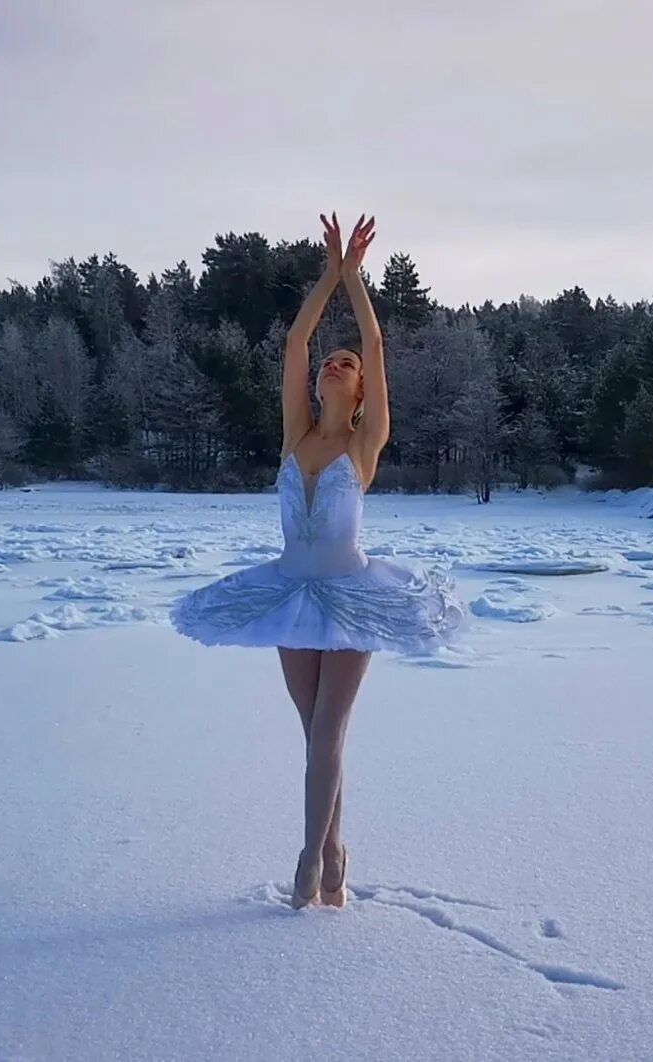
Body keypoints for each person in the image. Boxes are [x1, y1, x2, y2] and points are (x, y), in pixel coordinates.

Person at [170, 213, 463, 909]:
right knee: (314, 738)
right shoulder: (295, 436)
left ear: (360, 391)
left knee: (329, 732)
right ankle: (335, 850)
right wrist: (326, 273)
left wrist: (355, 278)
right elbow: (295, 341)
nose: (335, 363)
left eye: (347, 364)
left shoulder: (364, 447)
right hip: (288, 594)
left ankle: (308, 862)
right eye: (329, 362)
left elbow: (376, 340)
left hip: (353, 596)